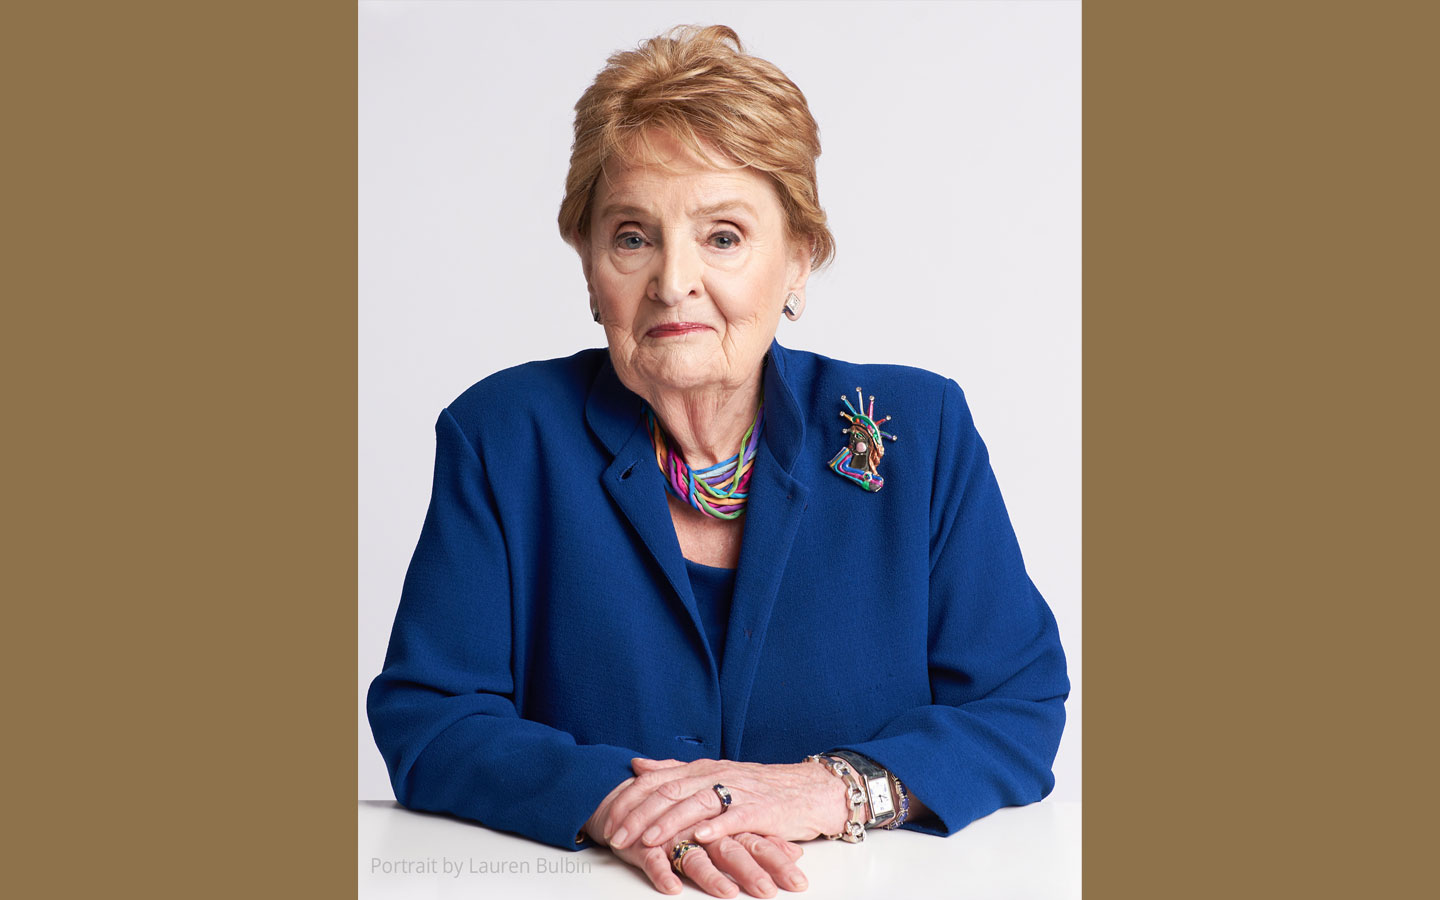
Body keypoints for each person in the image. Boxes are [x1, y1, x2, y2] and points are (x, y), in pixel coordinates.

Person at [368, 24, 1068, 898]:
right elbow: (429, 714)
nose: (673, 281)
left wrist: (828, 787)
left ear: (799, 259)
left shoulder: (916, 429)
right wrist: (615, 800)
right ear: (590, 269)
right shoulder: (502, 437)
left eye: (724, 236)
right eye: (632, 237)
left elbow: (1018, 704)